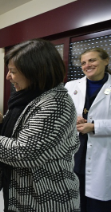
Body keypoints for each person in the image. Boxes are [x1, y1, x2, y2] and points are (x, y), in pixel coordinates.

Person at [0, 39, 80, 212]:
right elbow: (21, 132)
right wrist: (3, 123)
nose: (8, 77)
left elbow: (23, 152)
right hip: (20, 188)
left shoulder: (55, 104)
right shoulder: (28, 96)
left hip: (46, 195)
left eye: (13, 72)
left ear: (35, 73)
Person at [65, 47, 111, 212]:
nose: (87, 65)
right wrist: (73, 118)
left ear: (106, 61)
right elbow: (61, 113)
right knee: (75, 197)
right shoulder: (71, 86)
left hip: (103, 152)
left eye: (92, 60)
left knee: (97, 203)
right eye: (83, 62)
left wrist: (95, 126)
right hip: (76, 150)